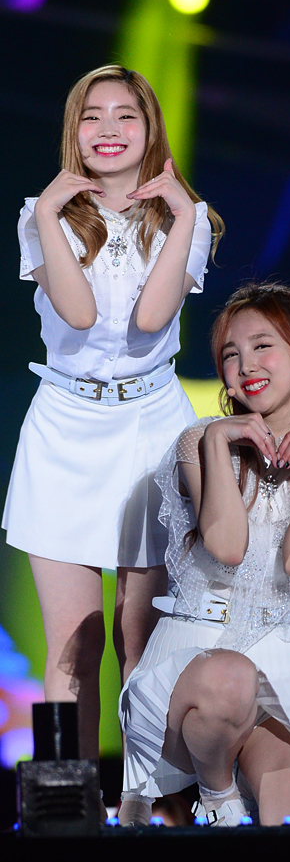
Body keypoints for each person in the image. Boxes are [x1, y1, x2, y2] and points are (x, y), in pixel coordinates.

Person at [2, 65, 223, 762]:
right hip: (65, 427)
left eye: (125, 115)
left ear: (150, 128)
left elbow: (152, 319)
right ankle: (65, 798)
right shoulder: (41, 215)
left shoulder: (188, 220)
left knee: (140, 636)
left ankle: (142, 798)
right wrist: (48, 215)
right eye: (91, 116)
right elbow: (79, 313)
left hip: (149, 428)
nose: (108, 129)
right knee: (75, 641)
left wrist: (183, 217)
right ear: (74, 130)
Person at [118, 282, 290, 827]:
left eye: (262, 346)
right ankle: (218, 796)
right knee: (231, 678)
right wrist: (217, 442)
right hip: (189, 669)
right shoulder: (200, 442)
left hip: (281, 671)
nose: (246, 365)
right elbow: (227, 548)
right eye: (231, 355)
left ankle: (240, 786)